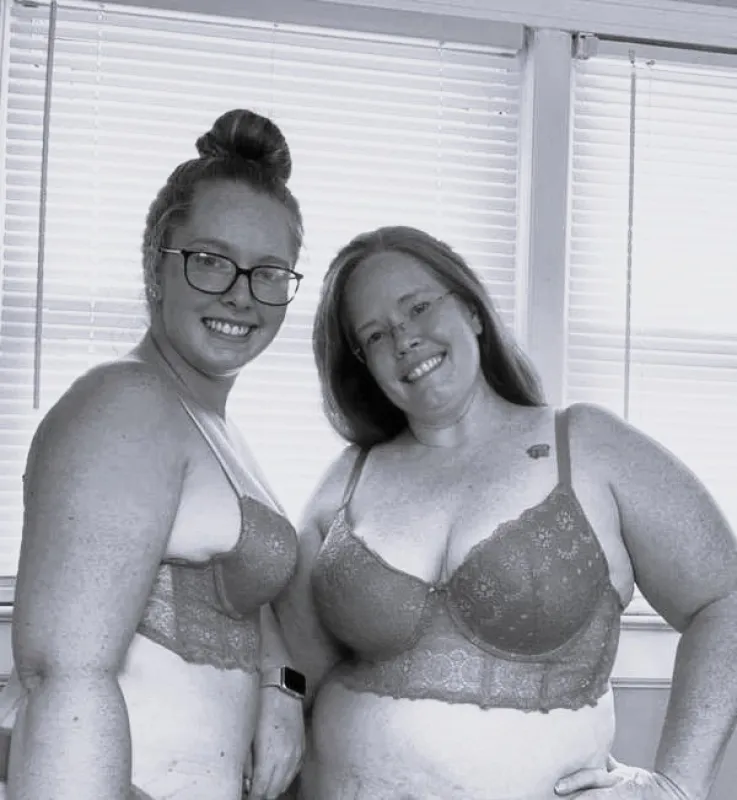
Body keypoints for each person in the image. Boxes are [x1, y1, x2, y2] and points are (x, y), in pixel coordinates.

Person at [275, 225, 737, 800]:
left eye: (417, 307)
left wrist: (676, 787)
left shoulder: (587, 446)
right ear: (363, 363)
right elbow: (290, 672)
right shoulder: (348, 479)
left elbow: (725, 598)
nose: (404, 339)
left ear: (471, 310)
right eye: (375, 335)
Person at [0, 109, 308, 800]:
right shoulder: (127, 403)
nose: (240, 293)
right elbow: (63, 677)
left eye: (268, 272)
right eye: (210, 260)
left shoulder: (210, 426)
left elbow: (236, 592)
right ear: (156, 266)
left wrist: (280, 685)